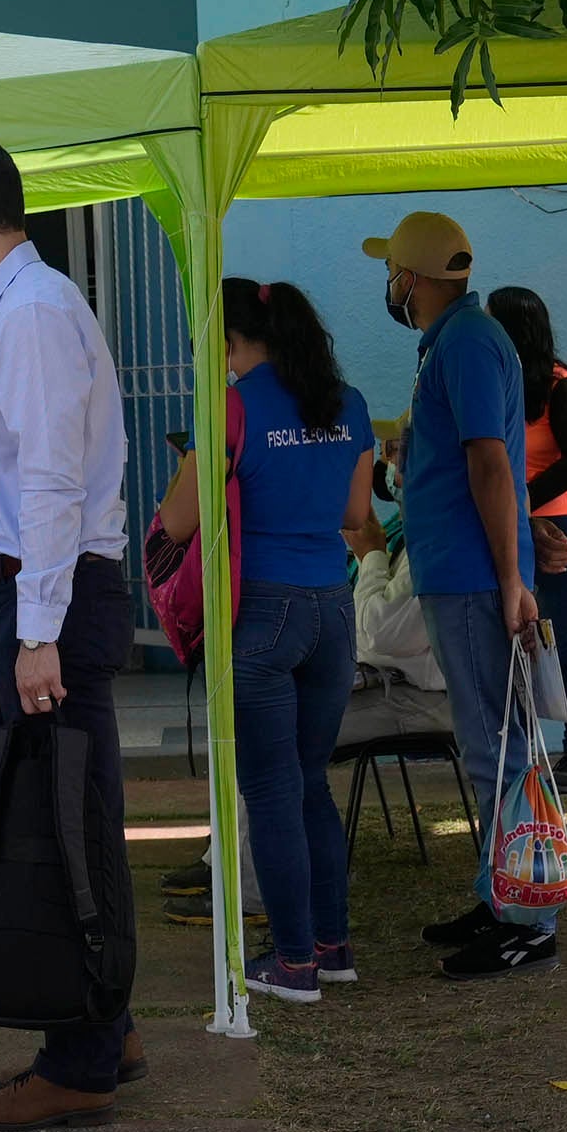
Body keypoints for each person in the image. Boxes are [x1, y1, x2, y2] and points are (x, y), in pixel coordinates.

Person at [0, 135, 141, 1122]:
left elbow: (52, 479)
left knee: (59, 826)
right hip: (31, 594)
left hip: (47, 597)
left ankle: (81, 1056)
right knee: (38, 813)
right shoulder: (10, 310)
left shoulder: (34, 315)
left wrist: (37, 630)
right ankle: (96, 1021)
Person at [158, 279, 377, 1005]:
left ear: (228, 340)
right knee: (311, 779)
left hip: (262, 614)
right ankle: (332, 944)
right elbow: (354, 513)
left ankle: (291, 963)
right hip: (333, 607)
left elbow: (180, 523)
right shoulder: (346, 403)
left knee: (273, 788)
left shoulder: (229, 407)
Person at [368, 212, 565, 979]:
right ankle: (500, 893)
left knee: (500, 751)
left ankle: (528, 920)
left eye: (392, 272)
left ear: (412, 279)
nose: (390, 286)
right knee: (488, 745)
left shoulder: (470, 342)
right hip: (460, 574)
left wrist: (512, 579)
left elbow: (490, 464)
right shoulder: (451, 344)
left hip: (479, 581)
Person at [488, 287, 567, 792]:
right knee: (514, 643)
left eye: (495, 322)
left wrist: (525, 501)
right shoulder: (502, 381)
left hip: (557, 530)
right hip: (512, 527)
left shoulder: (563, 386)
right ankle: (520, 753)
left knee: (565, 644)